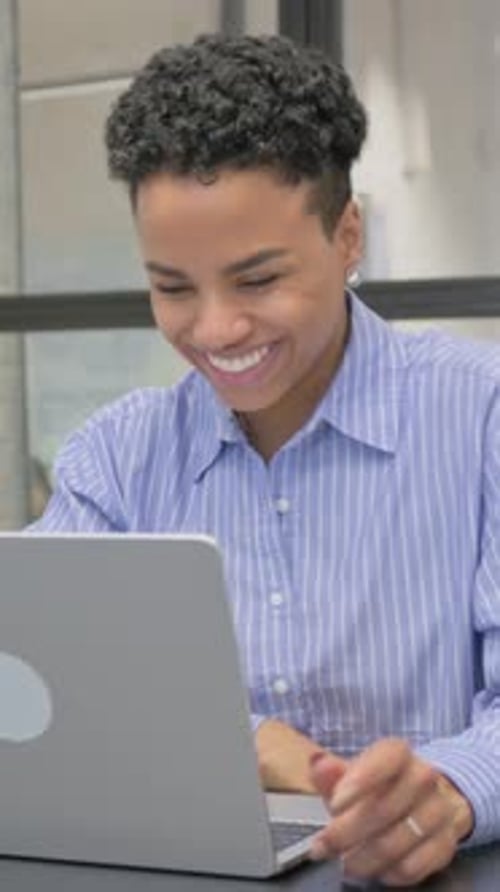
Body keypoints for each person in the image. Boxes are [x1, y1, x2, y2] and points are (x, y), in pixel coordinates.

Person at [31, 34, 499, 887]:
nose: (213, 330)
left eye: (256, 280)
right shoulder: (114, 458)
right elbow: (42, 681)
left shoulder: (484, 416)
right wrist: (256, 744)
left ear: (348, 237)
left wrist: (453, 788)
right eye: (173, 287)